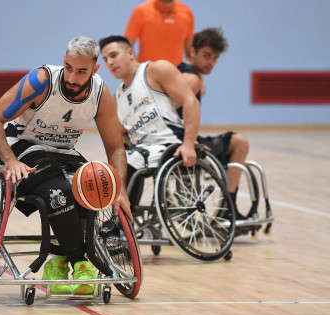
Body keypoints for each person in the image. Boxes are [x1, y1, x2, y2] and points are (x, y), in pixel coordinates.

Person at [0, 36, 132, 295]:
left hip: (62, 152)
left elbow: (116, 147)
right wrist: (9, 161)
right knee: (60, 190)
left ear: (95, 70)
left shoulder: (100, 93)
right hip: (22, 147)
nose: (72, 77)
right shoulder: (41, 81)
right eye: (68, 68)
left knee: (90, 187)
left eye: (81, 71)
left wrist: (120, 188)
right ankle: (81, 262)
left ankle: (57, 263)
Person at [99, 35, 200, 205]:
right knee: (110, 167)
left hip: (171, 145)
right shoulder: (117, 96)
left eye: (114, 55)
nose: (110, 62)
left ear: (130, 53)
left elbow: (191, 101)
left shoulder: (155, 70)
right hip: (144, 151)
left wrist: (189, 145)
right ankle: (123, 219)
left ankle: (122, 223)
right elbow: (121, 135)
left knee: (130, 160)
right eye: (105, 59)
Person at [177, 28, 249, 220]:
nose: (211, 63)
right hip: (180, 140)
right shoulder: (191, 79)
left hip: (180, 137)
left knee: (236, 141)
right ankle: (228, 209)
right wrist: (190, 142)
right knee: (240, 142)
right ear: (192, 51)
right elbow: (166, 111)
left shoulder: (185, 74)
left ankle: (228, 208)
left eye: (215, 58)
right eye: (206, 56)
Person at [124, 0, 194, 66]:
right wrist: (136, 71)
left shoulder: (187, 13)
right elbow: (125, 46)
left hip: (175, 75)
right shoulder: (141, 11)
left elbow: (190, 51)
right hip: (146, 74)